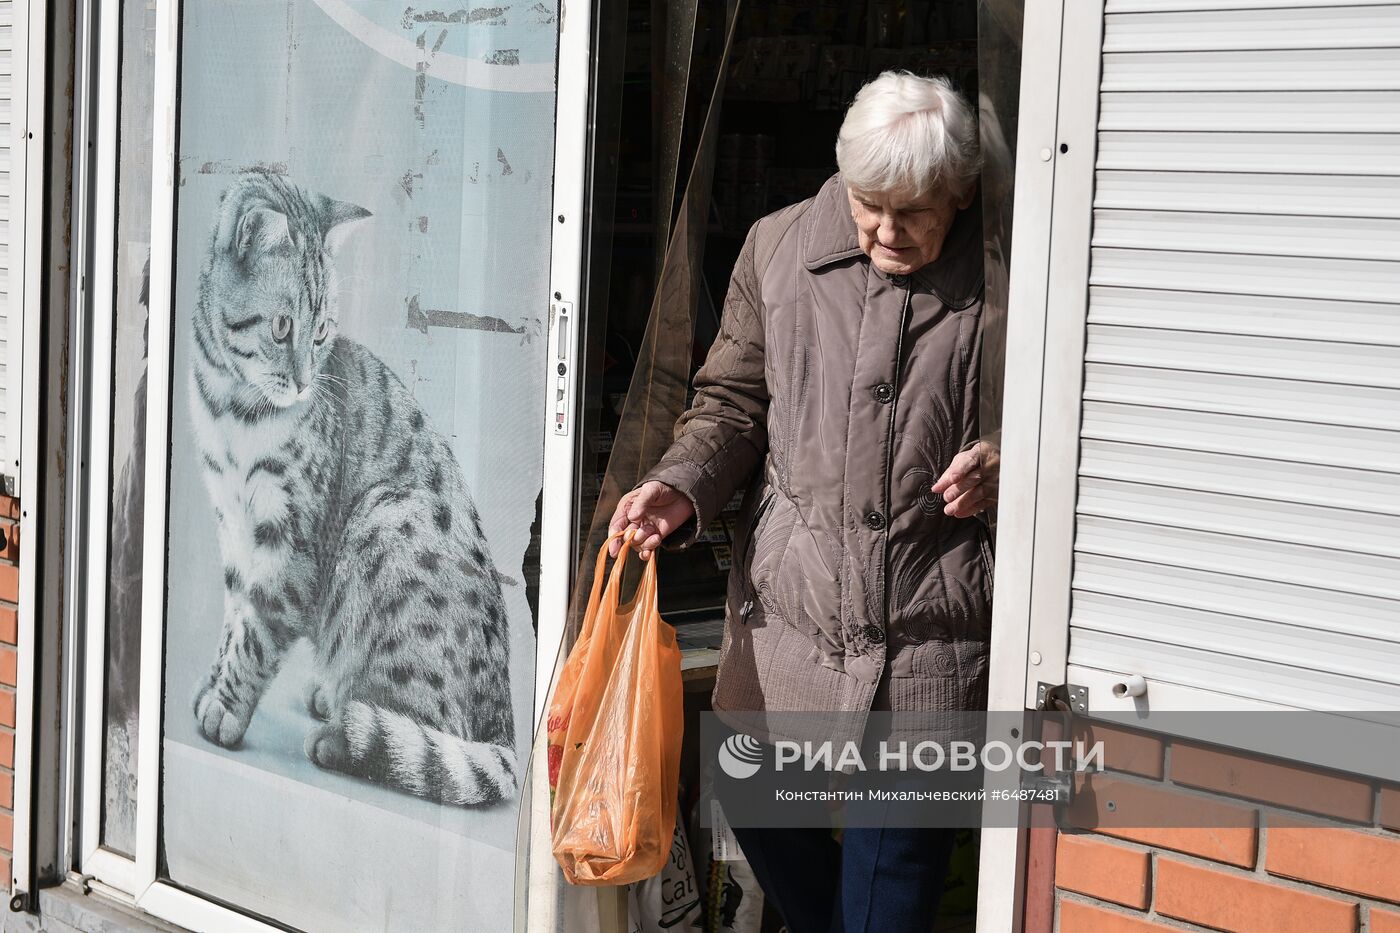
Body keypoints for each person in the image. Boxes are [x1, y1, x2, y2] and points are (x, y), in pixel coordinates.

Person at [609, 71, 998, 933]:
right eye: (870, 205)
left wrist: (1006, 467)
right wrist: (681, 485)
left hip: (930, 638)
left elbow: (1060, 425)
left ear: (962, 193)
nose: (887, 231)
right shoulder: (778, 247)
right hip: (790, 614)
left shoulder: (1008, 277)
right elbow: (732, 402)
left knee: (886, 883)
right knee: (758, 809)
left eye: (917, 211)